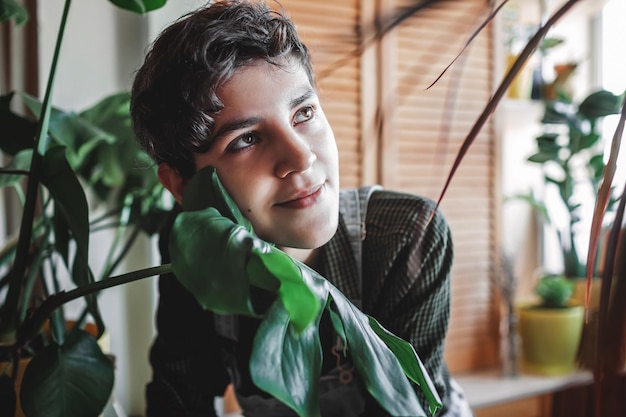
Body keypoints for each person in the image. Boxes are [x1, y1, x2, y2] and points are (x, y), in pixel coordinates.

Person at [130, 1, 472, 416]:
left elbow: (411, 406)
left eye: (303, 113)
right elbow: (178, 397)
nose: (301, 158)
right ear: (182, 184)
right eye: (247, 139)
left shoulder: (406, 235)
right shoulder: (193, 248)